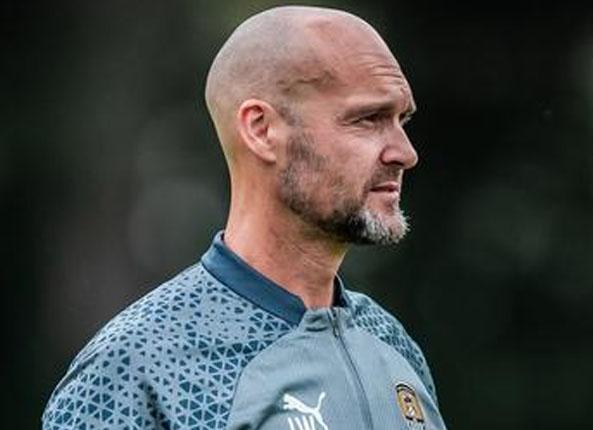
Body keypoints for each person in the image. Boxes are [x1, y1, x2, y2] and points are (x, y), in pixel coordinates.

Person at [42, 6, 447, 429]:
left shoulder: (393, 345)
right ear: (261, 129)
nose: (405, 153)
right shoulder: (135, 365)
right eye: (367, 119)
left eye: (401, 120)